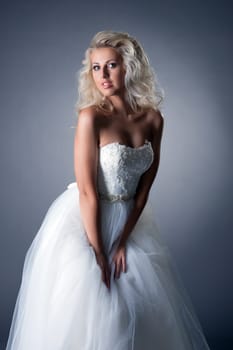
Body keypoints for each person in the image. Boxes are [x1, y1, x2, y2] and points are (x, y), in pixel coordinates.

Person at [6, 31, 211, 349]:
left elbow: (143, 191)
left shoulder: (153, 120)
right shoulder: (91, 118)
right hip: (87, 220)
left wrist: (123, 239)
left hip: (130, 221)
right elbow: (87, 191)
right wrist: (100, 251)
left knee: (141, 309)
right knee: (96, 308)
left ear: (129, 67)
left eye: (111, 65)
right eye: (95, 67)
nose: (102, 75)